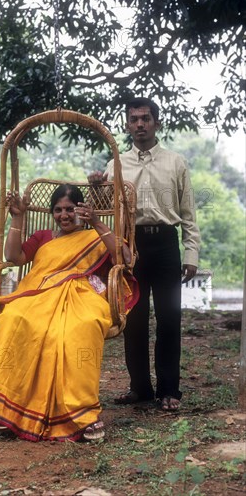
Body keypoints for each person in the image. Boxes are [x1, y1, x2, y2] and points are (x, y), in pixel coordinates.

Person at [0, 184, 138, 441]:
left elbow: (126, 259)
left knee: (79, 328)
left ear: (81, 210)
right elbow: (13, 256)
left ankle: (82, 415)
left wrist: (97, 223)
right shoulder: (43, 237)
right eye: (58, 210)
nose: (65, 215)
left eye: (70, 209)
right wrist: (17, 216)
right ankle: (9, 408)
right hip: (39, 294)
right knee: (10, 320)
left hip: (83, 294)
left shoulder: (94, 236)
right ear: (52, 213)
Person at [88, 97, 200, 411]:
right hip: (129, 247)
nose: (140, 124)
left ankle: (169, 391)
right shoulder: (116, 164)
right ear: (127, 124)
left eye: (146, 118)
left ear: (156, 122)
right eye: (134, 119)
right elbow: (103, 211)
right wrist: (96, 187)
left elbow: (188, 212)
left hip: (166, 245)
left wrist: (191, 252)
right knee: (132, 321)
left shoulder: (175, 162)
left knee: (169, 319)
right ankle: (140, 389)